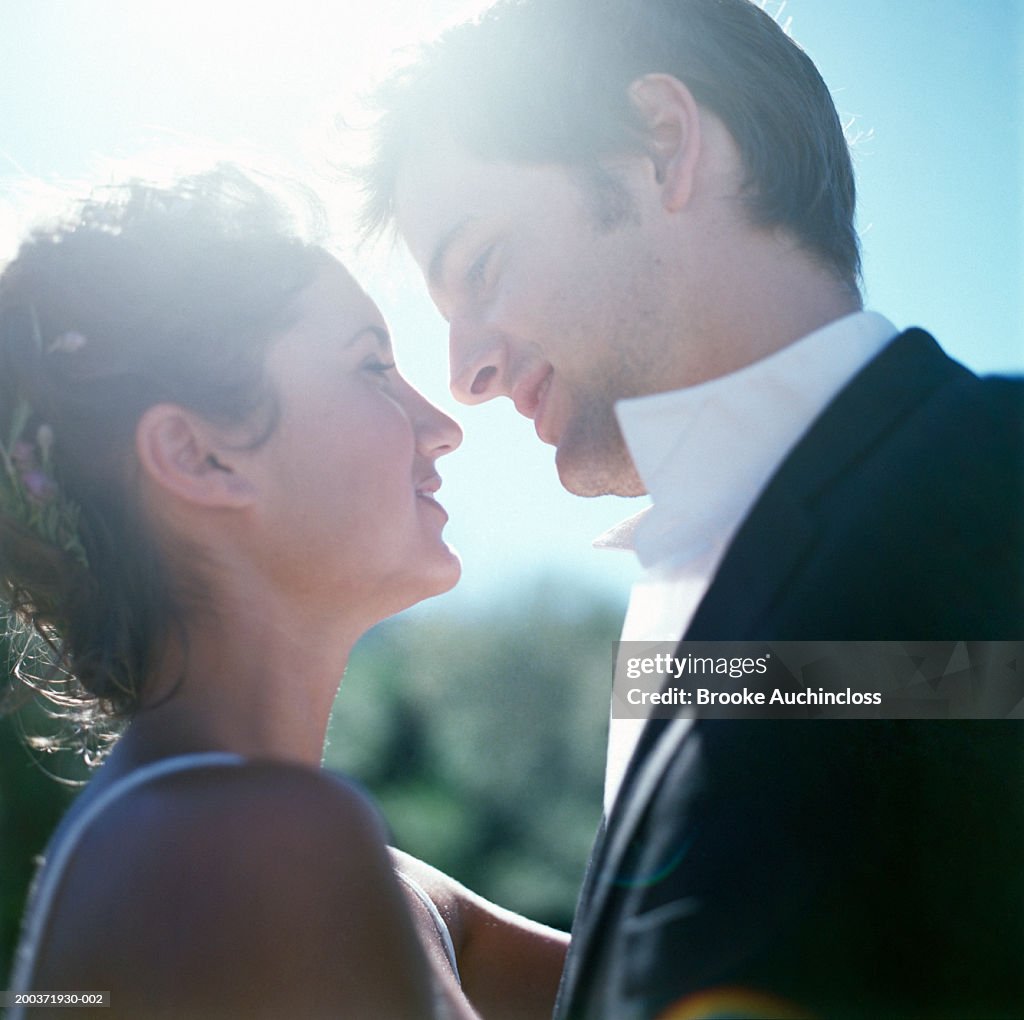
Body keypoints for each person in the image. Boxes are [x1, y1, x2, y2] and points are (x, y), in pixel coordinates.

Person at [358, 0, 1024, 1016]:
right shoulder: (680, 589)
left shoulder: (995, 470)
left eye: (484, 264)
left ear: (663, 143)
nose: (467, 372)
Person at [0, 167, 566, 1019]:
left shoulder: (329, 866)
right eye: (373, 367)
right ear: (199, 456)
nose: (441, 427)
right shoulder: (252, 844)